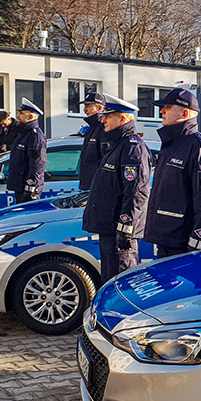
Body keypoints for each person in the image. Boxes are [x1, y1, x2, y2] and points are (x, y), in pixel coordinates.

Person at [143, 87, 201, 257]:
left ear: (184, 114)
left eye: (168, 108)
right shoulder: (171, 145)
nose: (162, 111)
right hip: (168, 239)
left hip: (184, 245)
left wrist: (200, 240)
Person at [82, 94, 152, 282]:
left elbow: (136, 192)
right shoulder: (117, 145)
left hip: (119, 232)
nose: (103, 119)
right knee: (110, 281)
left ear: (122, 119)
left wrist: (126, 226)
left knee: (122, 284)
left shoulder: (132, 148)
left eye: (108, 116)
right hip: (109, 229)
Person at [7, 98, 47, 204]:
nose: (18, 116)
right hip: (20, 185)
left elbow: (37, 164)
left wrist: (30, 187)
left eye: (21, 113)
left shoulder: (35, 136)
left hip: (27, 189)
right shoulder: (23, 134)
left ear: (30, 117)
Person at [77, 91, 108, 190]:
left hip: (96, 186)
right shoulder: (92, 129)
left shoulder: (103, 128)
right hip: (88, 185)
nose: (85, 109)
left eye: (88, 106)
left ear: (99, 108)